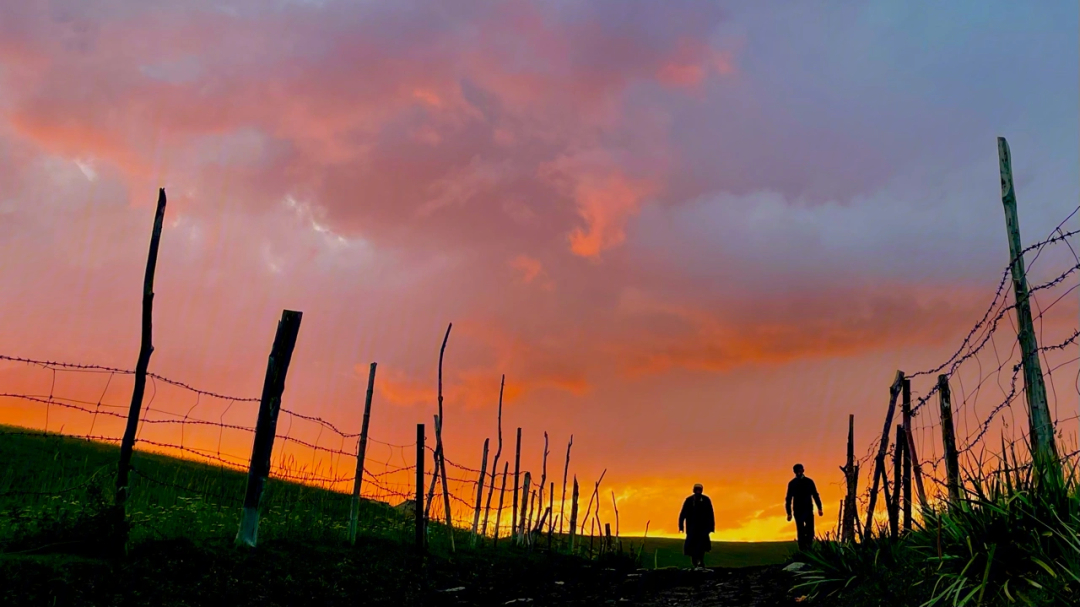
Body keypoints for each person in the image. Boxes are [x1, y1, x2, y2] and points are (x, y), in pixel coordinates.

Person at [785, 463, 823, 551]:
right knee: (801, 531)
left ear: (803, 470)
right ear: (794, 472)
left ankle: (808, 548)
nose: (798, 473)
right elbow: (788, 499)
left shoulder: (809, 482)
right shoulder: (792, 483)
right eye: (797, 471)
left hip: (808, 509)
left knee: (810, 531)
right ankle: (803, 550)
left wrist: (820, 508)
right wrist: (789, 513)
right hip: (798, 510)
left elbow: (815, 495)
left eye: (800, 471)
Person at [678, 483, 715, 568]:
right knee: (691, 547)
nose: (698, 491)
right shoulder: (689, 500)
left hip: (703, 529)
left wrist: (711, 527)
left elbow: (710, 514)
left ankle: (700, 562)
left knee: (701, 547)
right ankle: (695, 562)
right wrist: (681, 526)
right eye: (696, 489)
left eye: (699, 490)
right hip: (692, 528)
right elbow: (683, 513)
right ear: (694, 490)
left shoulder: (706, 500)